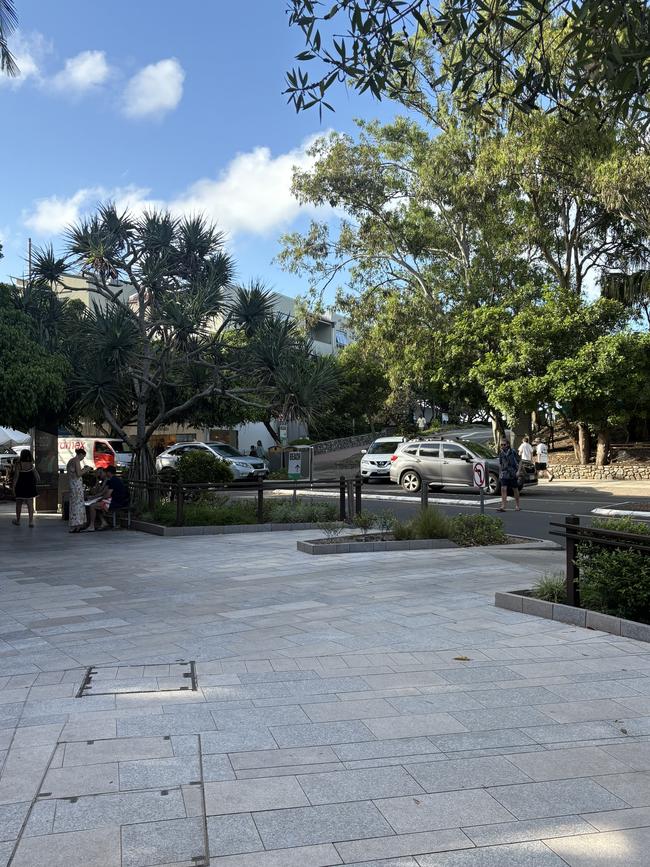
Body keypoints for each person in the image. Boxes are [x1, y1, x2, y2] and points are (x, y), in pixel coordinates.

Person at [11, 450, 40, 527]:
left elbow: (16, 477)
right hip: (30, 486)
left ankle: (18, 520)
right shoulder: (31, 464)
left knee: (18, 504)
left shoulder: (19, 465)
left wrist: (13, 487)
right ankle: (31, 522)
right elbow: (37, 475)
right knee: (30, 504)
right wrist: (38, 480)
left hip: (20, 486)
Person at [66, 447, 87, 533]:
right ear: (81, 454)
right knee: (78, 504)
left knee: (74, 504)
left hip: (72, 484)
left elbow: (75, 472)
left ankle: (74, 525)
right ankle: (78, 524)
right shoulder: (76, 460)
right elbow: (79, 474)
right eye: (83, 456)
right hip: (76, 486)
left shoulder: (71, 461)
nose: (83, 458)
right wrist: (86, 469)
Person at [497, 439, 521, 512]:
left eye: (504, 445)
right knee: (503, 489)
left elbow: (520, 461)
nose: (502, 446)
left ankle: (517, 506)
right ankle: (503, 506)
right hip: (504, 473)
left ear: (508, 445)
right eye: (501, 445)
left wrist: (518, 471)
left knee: (515, 489)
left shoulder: (513, 452)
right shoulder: (501, 453)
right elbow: (501, 464)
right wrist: (500, 473)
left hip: (512, 473)